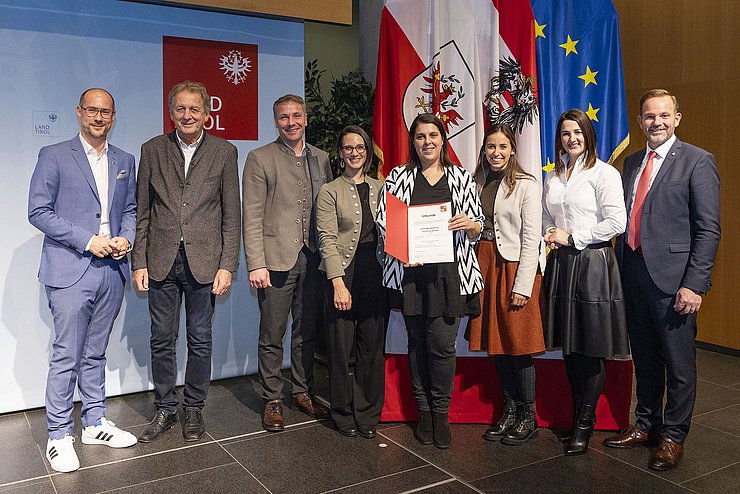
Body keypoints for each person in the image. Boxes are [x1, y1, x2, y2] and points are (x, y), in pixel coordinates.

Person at [603, 89, 720, 471]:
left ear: (677, 118)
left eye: (664, 115)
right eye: (649, 116)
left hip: (675, 282)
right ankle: (647, 425)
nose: (657, 122)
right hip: (633, 273)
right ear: (640, 122)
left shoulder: (698, 161)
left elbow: (708, 230)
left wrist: (695, 284)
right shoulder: (632, 163)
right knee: (646, 358)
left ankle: (673, 437)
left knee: (679, 364)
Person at [28, 88, 138, 473]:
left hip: (112, 270)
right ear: (78, 112)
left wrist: (127, 237)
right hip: (70, 267)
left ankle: (93, 423)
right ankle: (58, 435)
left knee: (95, 352)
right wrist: (89, 241)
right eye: (91, 110)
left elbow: (131, 209)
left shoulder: (125, 159)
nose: (98, 117)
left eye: (105, 111)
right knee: (66, 355)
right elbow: (38, 211)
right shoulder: (54, 155)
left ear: (113, 115)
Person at [132, 81, 241, 443]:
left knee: (200, 338)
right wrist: (138, 261)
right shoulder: (152, 150)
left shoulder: (225, 152)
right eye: (180, 109)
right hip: (160, 260)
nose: (187, 115)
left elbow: (231, 215)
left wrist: (228, 264)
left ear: (207, 113)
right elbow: (142, 212)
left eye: (194, 109)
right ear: (171, 112)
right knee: (162, 338)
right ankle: (165, 406)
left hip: (205, 262)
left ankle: (194, 407)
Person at [377, 113, 483, 449]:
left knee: (441, 347)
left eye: (433, 136)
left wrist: (470, 224)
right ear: (414, 141)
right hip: (411, 275)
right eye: (421, 136)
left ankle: (441, 413)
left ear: (443, 140)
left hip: (449, 277)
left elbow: (479, 223)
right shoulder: (398, 176)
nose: (427, 142)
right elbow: (384, 221)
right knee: (417, 346)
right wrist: (401, 246)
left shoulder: (461, 177)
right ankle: (423, 412)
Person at [542, 108, 629, 456]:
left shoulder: (604, 173)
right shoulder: (555, 175)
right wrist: (550, 231)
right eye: (565, 133)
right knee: (570, 345)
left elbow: (617, 223)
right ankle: (578, 413)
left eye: (577, 132)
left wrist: (573, 236)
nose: (571, 138)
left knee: (590, 347)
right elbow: (549, 214)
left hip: (593, 262)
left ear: (588, 134)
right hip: (562, 264)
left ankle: (585, 423)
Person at [243, 94, 332, 432]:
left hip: (314, 258)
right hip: (275, 260)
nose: (291, 122)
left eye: (296, 116)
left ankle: (302, 390)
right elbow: (251, 215)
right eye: (283, 117)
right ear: (275, 121)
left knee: (306, 331)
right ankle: (273, 398)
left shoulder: (323, 159)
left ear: (306, 118)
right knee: (272, 333)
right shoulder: (259, 158)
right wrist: (256, 263)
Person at [466, 123, 545, 445]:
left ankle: (529, 416)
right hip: (485, 265)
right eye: (490, 147)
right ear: (484, 151)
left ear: (512, 150)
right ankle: (509, 411)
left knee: (518, 346)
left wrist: (523, 286)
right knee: (498, 346)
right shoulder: (476, 181)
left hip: (514, 269)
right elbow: (471, 226)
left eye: (502, 147)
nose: (495, 153)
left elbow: (531, 238)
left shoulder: (526, 184)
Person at [316, 125, 387, 439]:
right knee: (340, 347)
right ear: (340, 153)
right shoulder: (329, 190)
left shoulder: (383, 186)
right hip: (343, 273)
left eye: (360, 147)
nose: (354, 152)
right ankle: (342, 412)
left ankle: (367, 413)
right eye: (348, 148)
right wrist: (338, 283)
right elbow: (327, 239)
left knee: (371, 346)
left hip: (377, 272)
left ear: (367, 152)